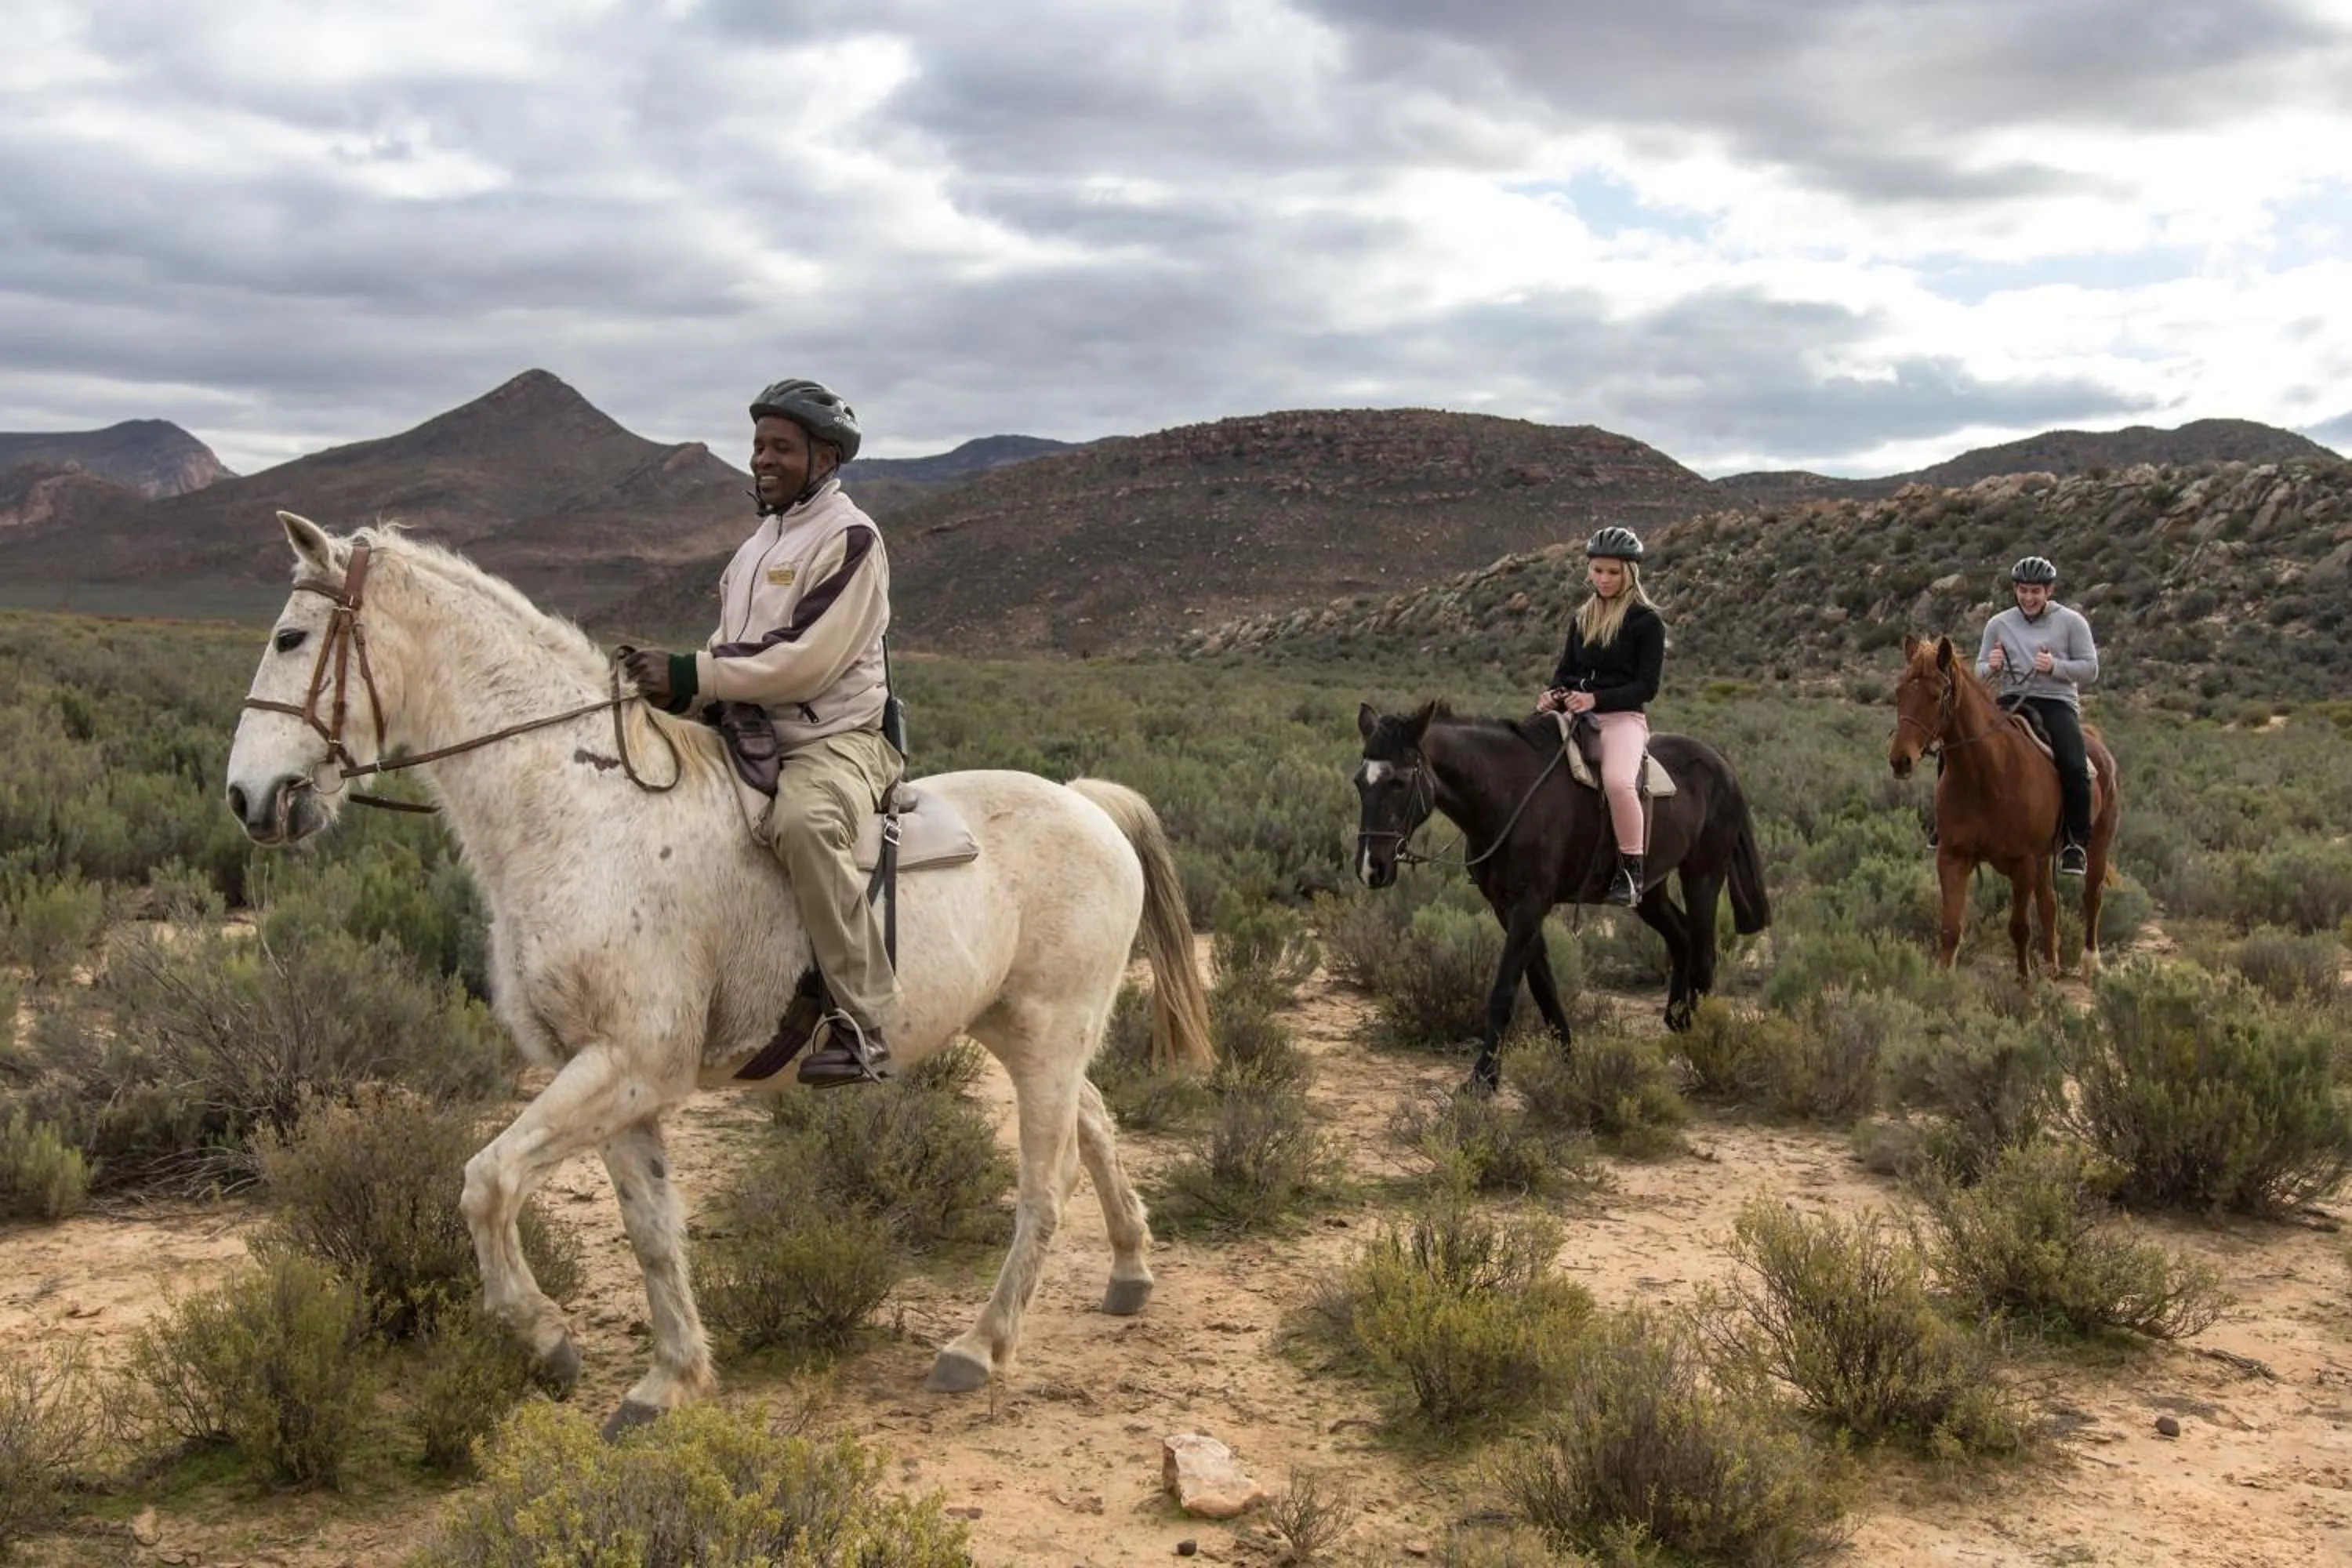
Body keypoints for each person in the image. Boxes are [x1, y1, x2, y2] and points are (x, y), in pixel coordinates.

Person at [622, 378, 902, 1086]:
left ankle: (861, 1021)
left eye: (782, 447)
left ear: (825, 458)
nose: (762, 460)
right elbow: (733, 652)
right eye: (758, 446)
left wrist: (690, 672)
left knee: (804, 825)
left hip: (835, 740)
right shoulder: (754, 548)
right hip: (753, 730)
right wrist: (680, 694)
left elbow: (805, 662)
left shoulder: (852, 539)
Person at [1536, 526, 1665, 906]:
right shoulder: (1582, 618)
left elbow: (1646, 687)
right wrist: (1553, 694)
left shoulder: (1646, 622)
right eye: (1598, 570)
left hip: (1622, 719)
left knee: (1619, 783)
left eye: (1613, 572)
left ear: (1629, 573)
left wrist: (1596, 699)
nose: (1604, 579)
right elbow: (1565, 671)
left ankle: (1631, 871)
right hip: (1574, 712)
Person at [1976, 554, 2099, 876]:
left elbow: (2090, 670)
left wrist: (2055, 667)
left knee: (2073, 762)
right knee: (1963, 745)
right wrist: (1990, 667)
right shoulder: (1998, 624)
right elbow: (1978, 671)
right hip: (2009, 700)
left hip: (2056, 701)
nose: (2028, 598)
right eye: (2023, 590)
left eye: (2035, 591)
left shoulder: (2072, 622)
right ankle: (1948, 825)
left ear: (2049, 591)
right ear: (2015, 590)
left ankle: (2075, 842)